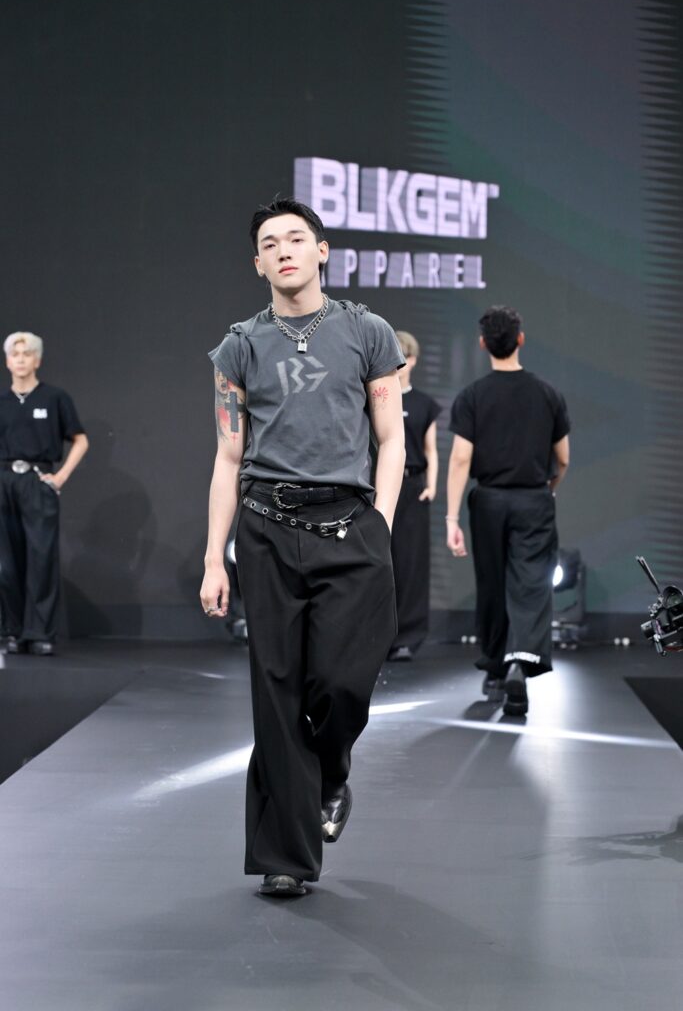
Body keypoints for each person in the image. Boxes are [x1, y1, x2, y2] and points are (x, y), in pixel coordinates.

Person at [200, 197, 405, 898]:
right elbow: (228, 457)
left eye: (296, 238)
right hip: (266, 525)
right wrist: (213, 557)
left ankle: (331, 771)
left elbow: (391, 439)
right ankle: (285, 858)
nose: (283, 249)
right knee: (277, 689)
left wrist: (380, 522)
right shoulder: (239, 347)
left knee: (342, 683)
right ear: (257, 264)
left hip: (350, 525)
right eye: (269, 243)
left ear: (322, 251)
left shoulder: (367, 331)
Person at [446, 306, 570, 716]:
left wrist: (451, 518)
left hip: (489, 501)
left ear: (483, 344)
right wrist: (548, 489)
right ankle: (521, 661)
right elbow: (563, 458)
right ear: (520, 339)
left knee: (493, 584)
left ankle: (496, 671)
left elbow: (460, 459)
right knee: (531, 584)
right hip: (534, 499)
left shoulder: (472, 396)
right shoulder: (548, 393)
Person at [0, 332, 89, 654]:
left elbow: (80, 439)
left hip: (37, 481)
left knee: (41, 558)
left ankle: (40, 633)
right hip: (4, 481)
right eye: (15, 354)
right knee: (6, 562)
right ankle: (12, 631)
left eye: (27, 353)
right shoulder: (2, 401)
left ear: (37, 360)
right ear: (7, 361)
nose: (21, 359)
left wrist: (60, 476)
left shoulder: (54, 398)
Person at [387, 331, 440, 660]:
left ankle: (408, 637)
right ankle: (380, 636)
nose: (400, 365)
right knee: (382, 562)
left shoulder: (424, 404)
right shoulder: (378, 398)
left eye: (405, 358)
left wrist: (431, 486)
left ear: (414, 361)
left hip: (413, 486)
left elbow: (431, 450)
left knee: (412, 563)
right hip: (383, 486)